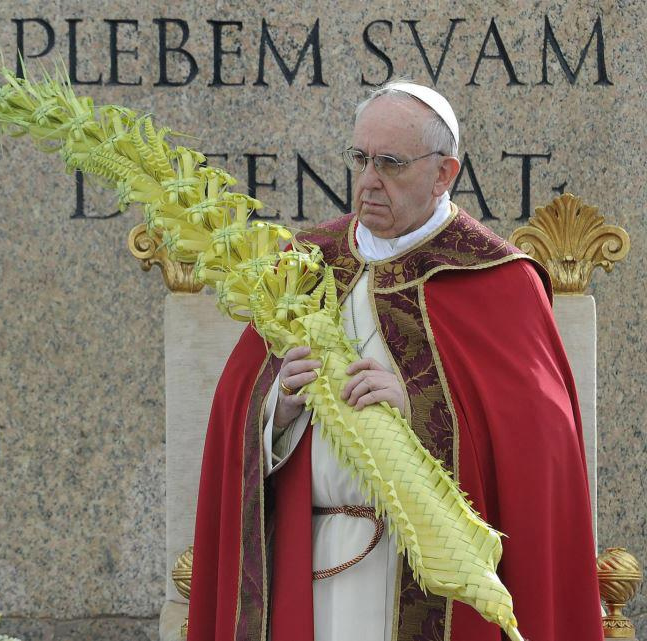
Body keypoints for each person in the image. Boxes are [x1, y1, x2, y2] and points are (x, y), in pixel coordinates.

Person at [187, 82, 603, 641]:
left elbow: (540, 454)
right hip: (306, 569)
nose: (368, 180)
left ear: (443, 173)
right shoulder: (304, 266)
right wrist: (277, 410)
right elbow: (233, 413)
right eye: (359, 158)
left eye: (390, 162)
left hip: (423, 574)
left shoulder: (499, 281)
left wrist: (420, 407)